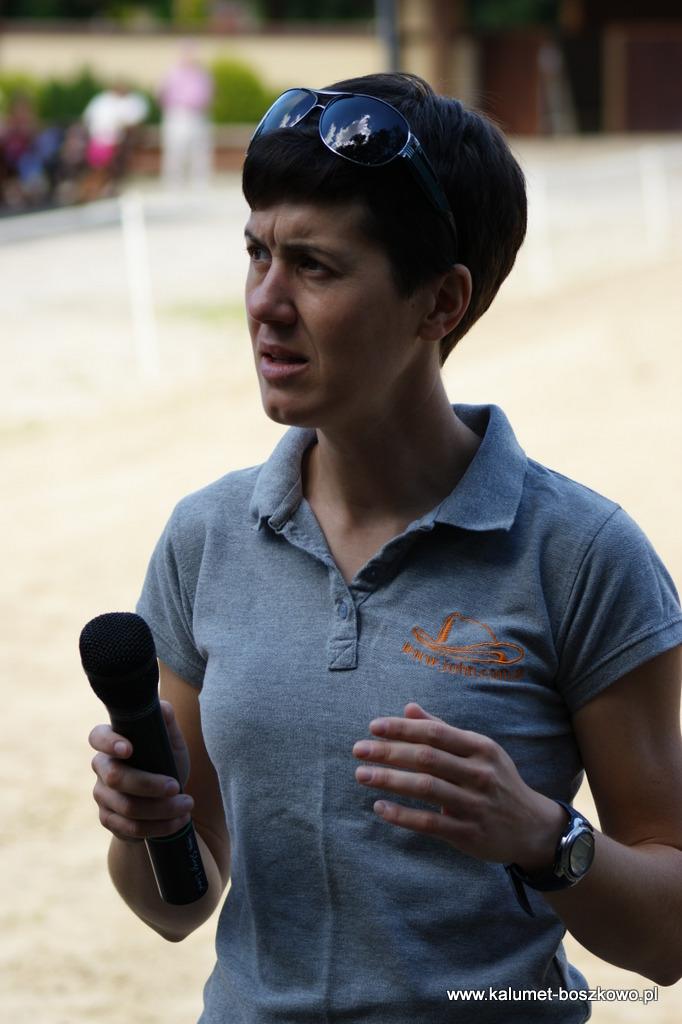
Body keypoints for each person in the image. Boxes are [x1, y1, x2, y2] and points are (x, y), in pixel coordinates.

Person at [88, 73, 682, 1022]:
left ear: (440, 302)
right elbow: (178, 906)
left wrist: (544, 837)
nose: (265, 302)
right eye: (257, 253)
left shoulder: (582, 555)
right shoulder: (205, 537)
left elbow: (668, 938)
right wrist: (143, 829)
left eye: (315, 267)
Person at [158, 44, 214, 192]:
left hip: (197, 115)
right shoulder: (172, 73)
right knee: (176, 149)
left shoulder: (201, 74)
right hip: (178, 114)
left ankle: (199, 182)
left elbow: (208, 94)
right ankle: (174, 181)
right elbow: (162, 93)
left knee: (199, 150)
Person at [81, 81, 148, 200]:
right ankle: (97, 187)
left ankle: (101, 186)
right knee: (100, 166)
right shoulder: (103, 102)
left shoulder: (127, 102)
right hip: (101, 141)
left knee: (103, 165)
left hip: (112, 142)